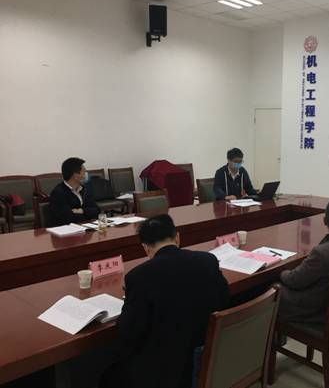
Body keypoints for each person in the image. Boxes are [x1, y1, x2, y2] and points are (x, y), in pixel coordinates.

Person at [100, 214, 229, 388]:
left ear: (145, 248)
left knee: (108, 374)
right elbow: (224, 298)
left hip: (164, 373)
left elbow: (129, 333)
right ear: (177, 237)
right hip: (205, 355)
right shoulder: (207, 260)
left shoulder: (138, 276)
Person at [49, 157, 99, 226]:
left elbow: (97, 210)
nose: (86, 175)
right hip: (67, 230)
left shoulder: (84, 189)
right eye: (84, 171)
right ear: (75, 175)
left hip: (86, 226)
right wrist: (88, 214)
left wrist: (82, 211)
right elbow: (67, 218)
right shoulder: (58, 193)